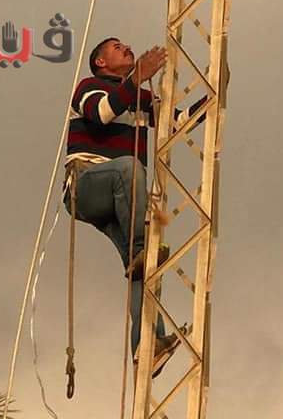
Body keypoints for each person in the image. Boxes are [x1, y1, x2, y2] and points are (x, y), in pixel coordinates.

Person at [63, 37, 205, 378]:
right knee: (129, 169)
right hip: (87, 185)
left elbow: (178, 121)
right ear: (100, 62)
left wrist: (212, 95)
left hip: (122, 195)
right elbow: (100, 114)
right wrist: (138, 76)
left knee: (142, 264)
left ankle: (148, 345)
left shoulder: (139, 98)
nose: (125, 47)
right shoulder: (89, 87)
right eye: (116, 46)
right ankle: (141, 250)